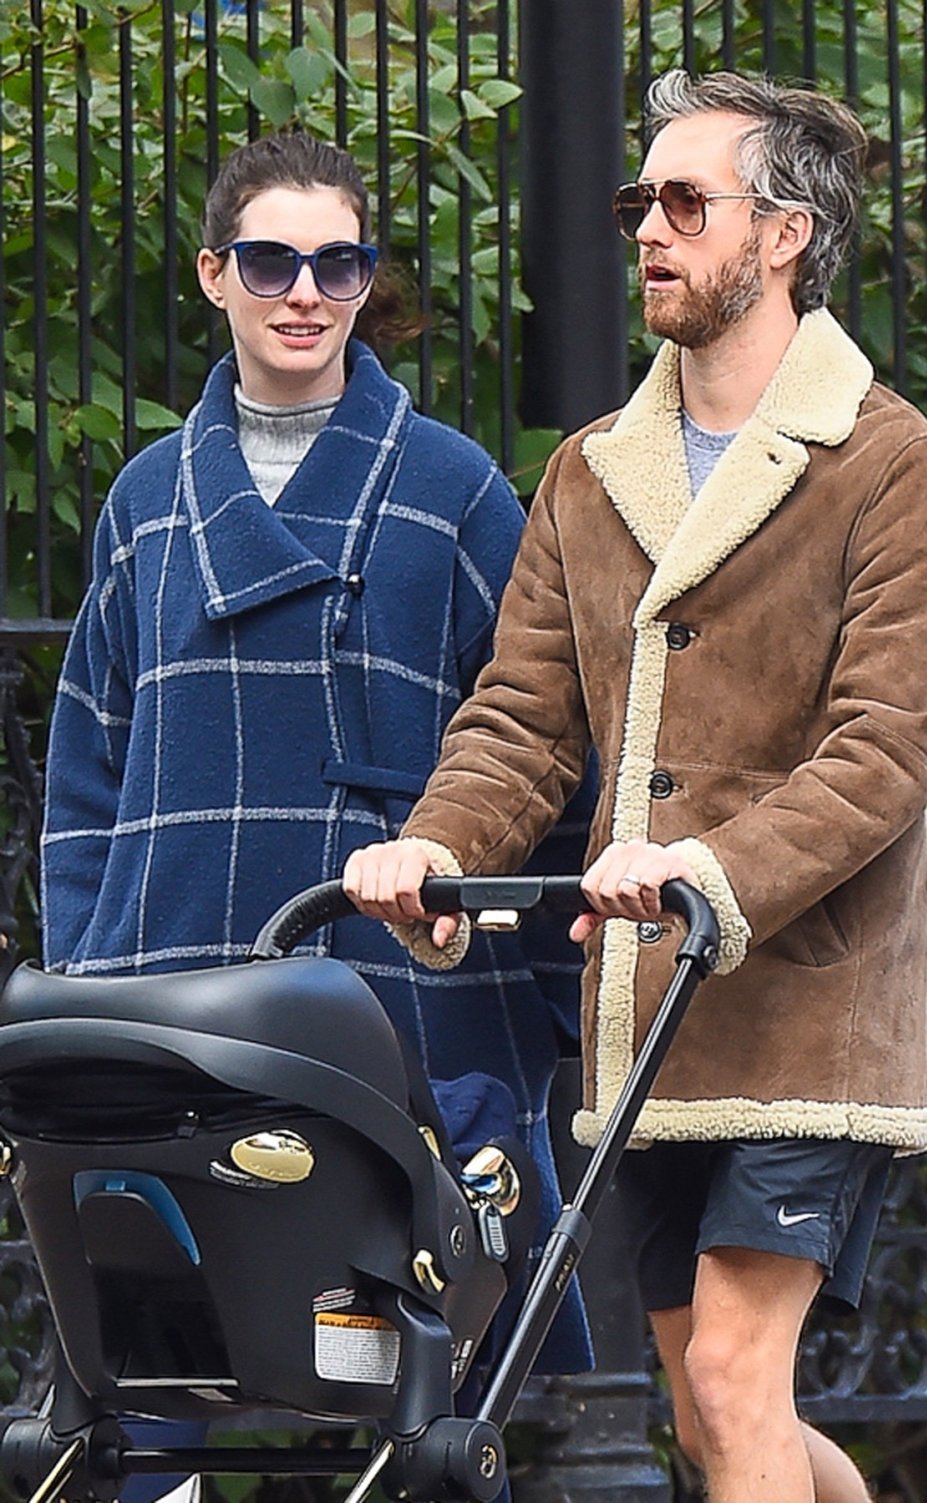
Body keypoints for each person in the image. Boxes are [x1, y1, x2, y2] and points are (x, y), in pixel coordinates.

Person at [343, 69, 927, 1503]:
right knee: (713, 1419)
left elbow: (890, 746)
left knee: (736, 1381)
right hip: (650, 1015)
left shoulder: (890, 465)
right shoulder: (591, 474)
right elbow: (523, 719)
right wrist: (436, 844)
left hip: (811, 1008)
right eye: (643, 199)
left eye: (688, 202)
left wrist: (711, 870)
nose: (647, 228)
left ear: (786, 235)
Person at [40, 129, 591, 1496]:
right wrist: (83, 972)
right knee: (153, 1362)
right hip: (165, 970)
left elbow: (537, 733)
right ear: (213, 274)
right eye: (271, 261)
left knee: (422, 1383)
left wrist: (548, 1003)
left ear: (366, 280)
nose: (304, 292)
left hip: (389, 976)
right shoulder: (145, 499)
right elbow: (87, 763)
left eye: (337, 264)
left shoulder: (454, 488)